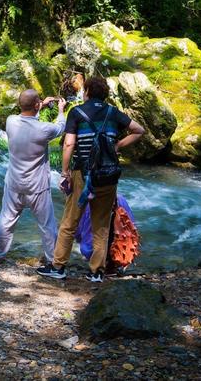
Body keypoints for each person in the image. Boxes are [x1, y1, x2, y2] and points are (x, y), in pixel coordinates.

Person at [38, 76, 145, 282]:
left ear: (86, 91)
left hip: (83, 175)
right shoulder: (113, 113)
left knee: (69, 221)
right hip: (108, 175)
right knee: (101, 225)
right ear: (104, 94)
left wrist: (65, 172)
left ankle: (58, 267)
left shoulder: (77, 112)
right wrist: (117, 145)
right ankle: (96, 272)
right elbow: (139, 130)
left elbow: (69, 144)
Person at [0, 90, 67, 265]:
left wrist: (39, 105)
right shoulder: (44, 129)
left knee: (6, 221)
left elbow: (28, 113)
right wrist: (60, 109)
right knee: (47, 225)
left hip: (14, 183)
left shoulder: (11, 122)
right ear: (36, 105)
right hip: (37, 186)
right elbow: (60, 126)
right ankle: (53, 261)